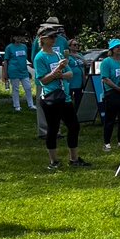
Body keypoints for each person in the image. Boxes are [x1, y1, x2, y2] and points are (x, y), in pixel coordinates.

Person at [34, 28, 90, 170]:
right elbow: (43, 80)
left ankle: (74, 158)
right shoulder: (40, 58)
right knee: (53, 129)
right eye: (51, 37)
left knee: (74, 126)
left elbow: (70, 73)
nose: (54, 39)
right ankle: (53, 162)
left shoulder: (59, 54)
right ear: (43, 39)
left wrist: (61, 74)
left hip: (64, 97)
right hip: (50, 98)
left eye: (55, 37)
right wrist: (56, 72)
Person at [100, 39, 120, 151]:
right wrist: (117, 88)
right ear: (111, 49)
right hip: (112, 93)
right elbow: (105, 78)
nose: (119, 48)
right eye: (117, 47)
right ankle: (107, 142)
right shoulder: (106, 62)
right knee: (110, 119)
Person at [3, 34, 34, 111]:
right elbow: (6, 61)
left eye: (21, 36)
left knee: (28, 87)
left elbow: (25, 58)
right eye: (17, 36)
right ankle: (16, 106)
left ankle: (31, 105)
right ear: (13, 37)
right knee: (15, 89)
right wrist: (5, 73)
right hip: (13, 70)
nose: (19, 38)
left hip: (23, 70)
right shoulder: (9, 47)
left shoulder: (24, 46)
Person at [65, 40, 86, 112]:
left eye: (77, 44)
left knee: (79, 99)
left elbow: (85, 63)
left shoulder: (79, 54)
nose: (77, 46)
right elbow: (65, 65)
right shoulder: (67, 56)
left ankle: (78, 113)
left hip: (79, 81)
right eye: (74, 45)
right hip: (71, 81)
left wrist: (78, 56)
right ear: (69, 46)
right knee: (69, 99)